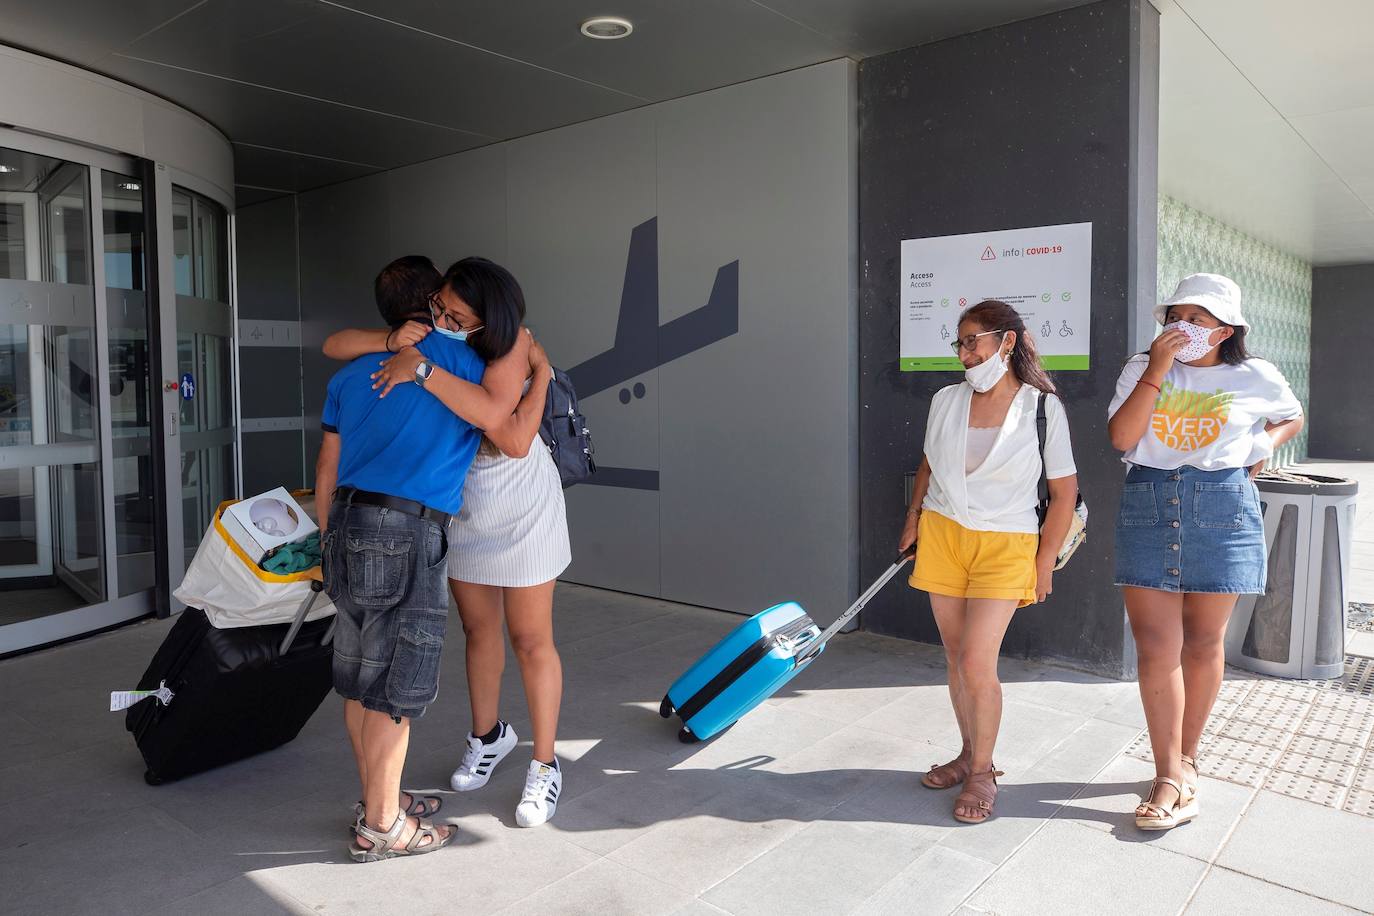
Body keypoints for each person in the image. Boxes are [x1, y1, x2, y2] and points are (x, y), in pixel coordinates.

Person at [324, 256, 572, 828]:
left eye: (456, 314)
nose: (443, 319)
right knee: (478, 631)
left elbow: (508, 436)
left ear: (488, 319)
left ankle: (544, 763)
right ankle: (488, 736)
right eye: (439, 306)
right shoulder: (423, 341)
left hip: (519, 499)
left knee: (530, 638)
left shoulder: (499, 347)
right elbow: (339, 345)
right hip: (457, 503)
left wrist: (540, 377)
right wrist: (399, 344)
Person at [1108, 273, 1303, 831]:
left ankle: (1185, 757)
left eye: (1198, 319)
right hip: (1149, 497)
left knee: (1203, 641)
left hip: (1222, 504)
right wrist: (1157, 370)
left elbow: (1291, 414)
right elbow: (1122, 440)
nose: (1183, 327)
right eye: (1176, 317)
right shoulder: (1139, 368)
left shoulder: (1254, 373)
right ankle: (1168, 773)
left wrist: (1261, 447)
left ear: (1226, 329)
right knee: (1155, 645)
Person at [899, 300, 1079, 825]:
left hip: (1007, 543)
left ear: (1007, 342)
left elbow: (1064, 494)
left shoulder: (1041, 407)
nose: (964, 353)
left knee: (978, 661)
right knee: (956, 656)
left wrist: (1043, 563)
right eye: (959, 342)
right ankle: (966, 752)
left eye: (974, 340)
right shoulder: (945, 400)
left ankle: (982, 771)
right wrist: (913, 516)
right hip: (944, 534)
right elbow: (930, 461)